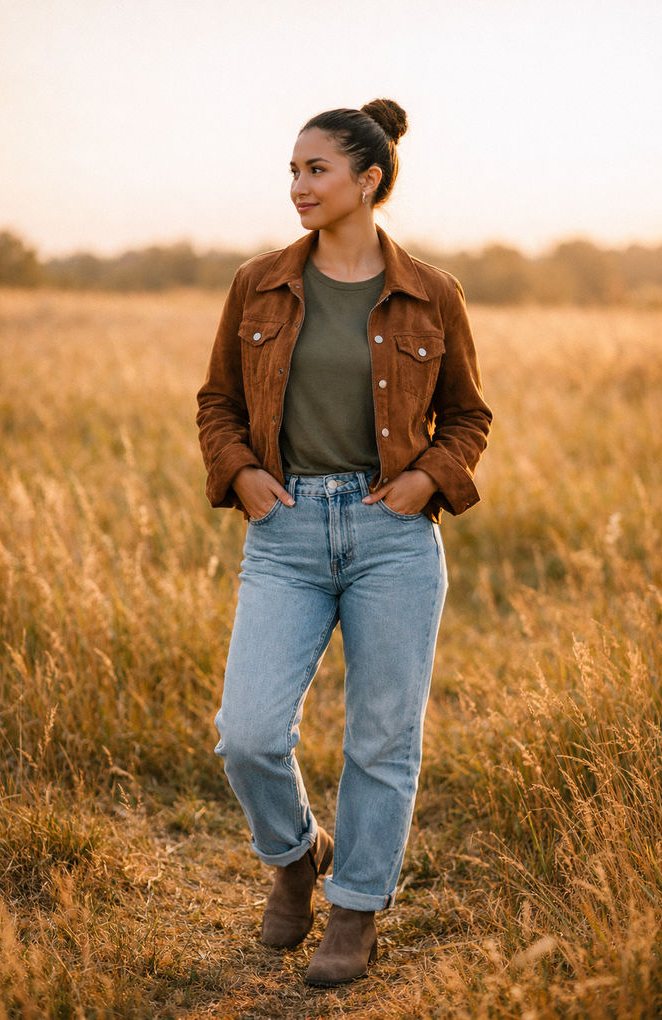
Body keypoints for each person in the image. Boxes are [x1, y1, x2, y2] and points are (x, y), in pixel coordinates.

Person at [196, 99, 492, 986]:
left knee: (382, 740)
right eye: (292, 170)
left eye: (315, 170)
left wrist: (427, 478)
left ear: (369, 180)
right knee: (245, 733)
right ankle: (294, 857)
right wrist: (242, 473)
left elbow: (469, 415)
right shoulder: (258, 283)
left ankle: (355, 913)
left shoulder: (431, 293)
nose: (297, 186)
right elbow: (217, 401)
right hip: (285, 531)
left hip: (392, 537)